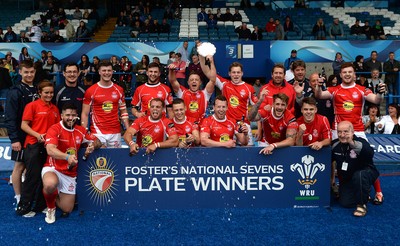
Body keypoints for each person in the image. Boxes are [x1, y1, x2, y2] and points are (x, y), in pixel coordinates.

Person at [314, 62, 386, 204]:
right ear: (340, 75)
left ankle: (378, 192)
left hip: (358, 131)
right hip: (337, 132)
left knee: (367, 161)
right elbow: (319, 95)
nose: (347, 74)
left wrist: (380, 92)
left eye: (350, 72)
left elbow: (376, 100)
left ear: (354, 74)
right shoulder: (334, 90)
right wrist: (317, 85)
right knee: (340, 163)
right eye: (344, 72)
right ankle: (342, 188)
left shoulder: (361, 90)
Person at [42, 103, 101, 223]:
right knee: (50, 184)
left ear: (77, 116)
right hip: (53, 168)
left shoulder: (81, 130)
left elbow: (98, 141)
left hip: (69, 173)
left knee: (67, 209)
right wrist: (67, 157)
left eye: (73, 115)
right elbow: (50, 150)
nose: (70, 118)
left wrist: (92, 146)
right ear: (62, 116)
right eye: (68, 115)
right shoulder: (54, 129)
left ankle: (52, 193)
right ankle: (50, 207)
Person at [16, 80, 60, 217]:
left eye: (51, 92)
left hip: (48, 147)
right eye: (46, 92)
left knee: (44, 177)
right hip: (33, 146)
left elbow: (57, 128)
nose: (49, 95)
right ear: (39, 92)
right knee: (32, 177)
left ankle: (40, 206)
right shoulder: (32, 106)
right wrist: (38, 135)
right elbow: (24, 125)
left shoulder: (55, 109)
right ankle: (24, 207)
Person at [4, 60, 37, 208]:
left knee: (31, 167)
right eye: (26, 72)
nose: (29, 75)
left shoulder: (37, 89)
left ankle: (30, 194)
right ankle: (18, 197)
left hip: (35, 135)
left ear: (34, 72)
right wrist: (14, 139)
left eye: (31, 72)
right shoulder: (14, 91)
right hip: (21, 137)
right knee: (19, 166)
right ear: (20, 72)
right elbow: (10, 117)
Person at [331, 121, 379, 217]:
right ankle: (363, 193)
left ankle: (362, 205)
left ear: (352, 132)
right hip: (348, 178)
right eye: (339, 132)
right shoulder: (335, 145)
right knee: (345, 203)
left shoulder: (361, 142)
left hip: (365, 173)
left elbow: (370, 154)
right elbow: (326, 160)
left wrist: (351, 143)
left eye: (346, 132)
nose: (342, 135)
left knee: (359, 175)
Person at [81, 60, 130, 148]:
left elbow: (123, 111)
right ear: (99, 72)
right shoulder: (91, 91)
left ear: (112, 71)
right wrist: (83, 131)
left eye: (109, 70)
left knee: (114, 160)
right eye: (104, 70)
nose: (106, 73)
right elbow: (85, 113)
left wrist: (128, 129)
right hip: (97, 133)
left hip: (115, 132)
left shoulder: (119, 90)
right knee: (100, 160)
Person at [213, 62, 258, 145]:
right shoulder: (225, 85)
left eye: (238, 72)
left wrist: (259, 127)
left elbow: (257, 108)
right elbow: (210, 74)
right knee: (229, 151)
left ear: (242, 73)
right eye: (233, 72)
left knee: (247, 153)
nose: (236, 75)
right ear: (229, 74)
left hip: (244, 125)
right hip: (228, 125)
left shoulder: (249, 88)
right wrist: (210, 60)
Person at [168, 54, 216, 122]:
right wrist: (171, 71)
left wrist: (211, 62)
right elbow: (173, 81)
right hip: (186, 125)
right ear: (188, 82)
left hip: (201, 125)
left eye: (196, 80)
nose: (194, 81)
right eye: (191, 80)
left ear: (200, 83)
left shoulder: (205, 93)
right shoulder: (182, 92)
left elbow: (213, 80)